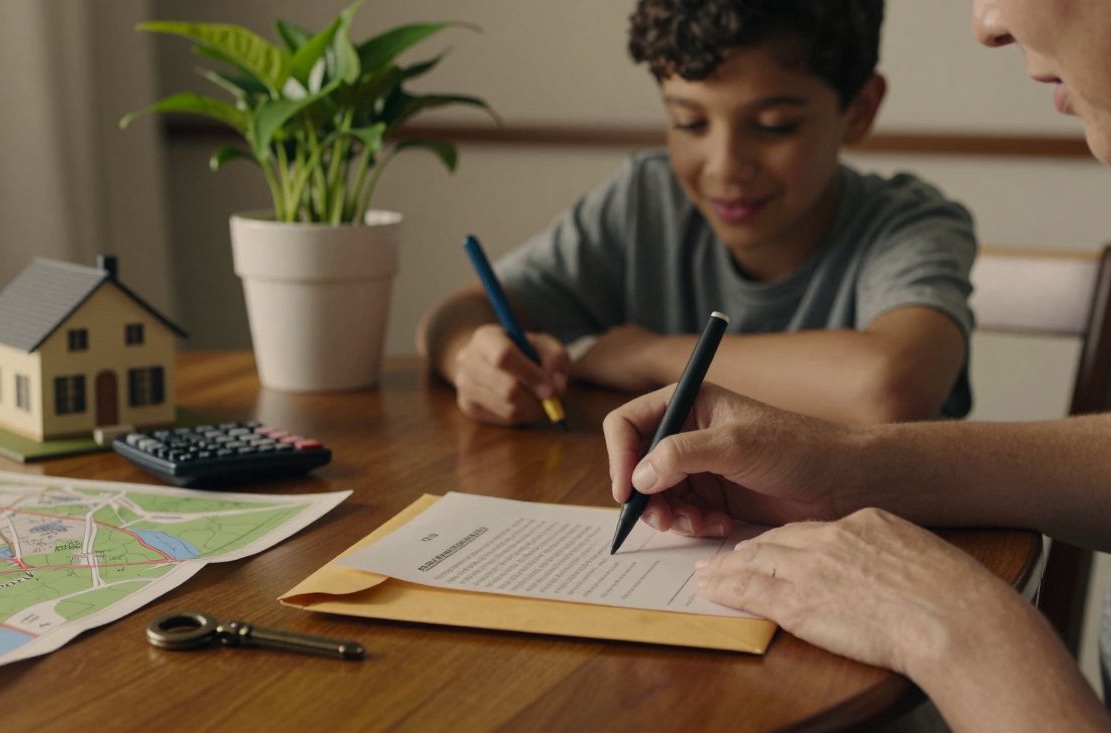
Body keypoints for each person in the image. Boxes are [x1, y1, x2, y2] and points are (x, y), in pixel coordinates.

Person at [603, 1, 1111, 733]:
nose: (986, 22)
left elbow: (890, 377)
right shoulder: (633, 199)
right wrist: (849, 466)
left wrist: (953, 628)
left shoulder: (905, 219)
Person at [418, 0, 978, 428]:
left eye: (774, 125)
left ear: (859, 110)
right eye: (689, 123)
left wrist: (648, 356)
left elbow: (890, 385)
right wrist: (473, 356)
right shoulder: (645, 201)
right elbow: (449, 318)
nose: (726, 167)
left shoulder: (909, 223)